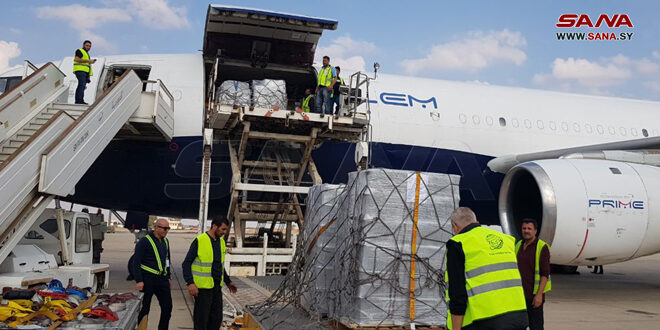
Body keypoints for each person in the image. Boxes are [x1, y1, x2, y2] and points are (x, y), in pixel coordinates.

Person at [445, 207, 528, 330]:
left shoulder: (458, 243)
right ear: (476, 221)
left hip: (485, 321)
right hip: (518, 317)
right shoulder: (505, 240)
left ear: (455, 226)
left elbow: (457, 293)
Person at [182, 217, 238, 330]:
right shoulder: (200, 240)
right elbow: (186, 264)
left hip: (216, 287)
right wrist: (190, 283)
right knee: (201, 321)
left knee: (216, 319)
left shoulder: (221, 242)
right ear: (214, 226)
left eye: (226, 230)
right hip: (203, 289)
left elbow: (219, 266)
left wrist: (228, 281)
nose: (224, 232)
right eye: (223, 229)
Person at [133, 218, 172, 330]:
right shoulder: (144, 241)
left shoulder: (165, 241)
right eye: (164, 228)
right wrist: (139, 280)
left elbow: (167, 260)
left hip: (162, 280)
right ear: (156, 228)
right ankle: (141, 328)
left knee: (167, 307)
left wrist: (168, 277)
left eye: (167, 228)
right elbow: (136, 262)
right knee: (145, 309)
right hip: (147, 279)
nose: (166, 231)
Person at [515, 218, 551, 330]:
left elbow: (545, 273)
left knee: (536, 327)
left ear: (535, 231)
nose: (526, 231)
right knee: (518, 326)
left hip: (534, 296)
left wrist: (539, 295)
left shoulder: (542, 247)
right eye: (524, 228)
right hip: (520, 296)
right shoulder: (518, 245)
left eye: (529, 229)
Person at [73, 40, 96, 105]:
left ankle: (81, 100)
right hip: (80, 71)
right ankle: (78, 100)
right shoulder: (80, 51)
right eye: (87, 45)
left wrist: (88, 76)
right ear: (83, 45)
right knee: (81, 85)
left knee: (83, 86)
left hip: (85, 72)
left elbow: (87, 65)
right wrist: (88, 61)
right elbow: (76, 59)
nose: (88, 47)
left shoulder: (86, 53)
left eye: (90, 46)